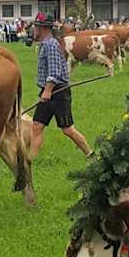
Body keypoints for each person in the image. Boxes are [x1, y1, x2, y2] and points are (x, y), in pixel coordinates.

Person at [27, 14, 90, 159]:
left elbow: (54, 72)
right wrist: (46, 91)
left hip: (58, 92)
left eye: (36, 26)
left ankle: (90, 154)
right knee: (37, 126)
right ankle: (31, 159)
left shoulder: (51, 45)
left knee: (68, 129)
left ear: (42, 28)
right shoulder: (45, 44)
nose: (34, 30)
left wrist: (47, 91)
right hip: (48, 90)